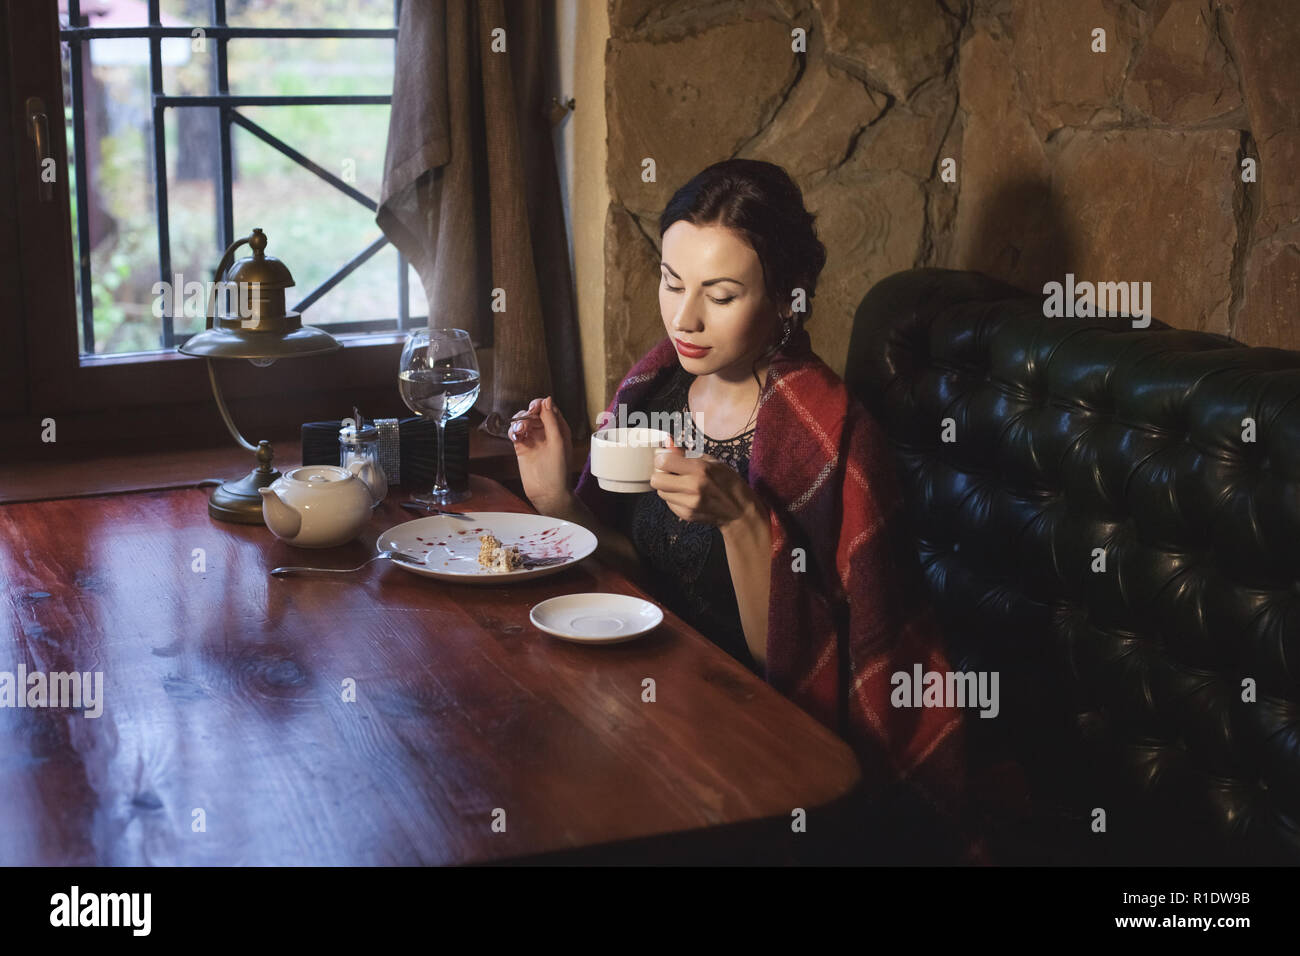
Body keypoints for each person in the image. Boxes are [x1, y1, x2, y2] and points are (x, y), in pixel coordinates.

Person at [510, 159, 1005, 862]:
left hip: (754, 735)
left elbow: (804, 669)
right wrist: (556, 498)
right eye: (672, 282)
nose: (684, 318)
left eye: (721, 293)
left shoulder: (828, 431)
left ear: (785, 301)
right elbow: (639, 574)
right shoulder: (653, 390)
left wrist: (743, 519)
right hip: (644, 687)